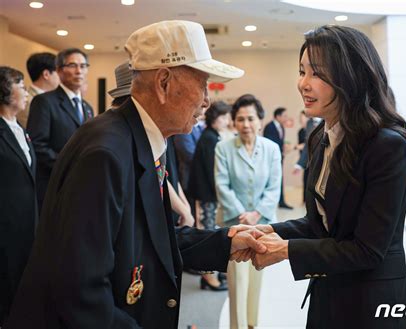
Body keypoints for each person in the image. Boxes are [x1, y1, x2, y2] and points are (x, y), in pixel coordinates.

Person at [4, 20, 266, 329]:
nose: (207, 101)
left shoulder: (144, 141)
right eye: (203, 84)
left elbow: (152, 240)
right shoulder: (106, 153)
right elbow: (80, 290)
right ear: (164, 83)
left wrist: (226, 243)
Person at [233, 25, 406, 329]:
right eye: (301, 71)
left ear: (351, 77)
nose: (303, 84)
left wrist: (285, 251)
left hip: (373, 303)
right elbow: (319, 224)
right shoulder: (321, 136)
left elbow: (367, 249)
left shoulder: (387, 145)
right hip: (329, 292)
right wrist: (270, 230)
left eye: (316, 74)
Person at [215, 94, 281, 329]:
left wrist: (257, 213)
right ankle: (238, 326)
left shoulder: (272, 149)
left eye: (250, 119)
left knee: (256, 276)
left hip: (263, 224)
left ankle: (252, 323)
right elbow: (222, 186)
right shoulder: (223, 148)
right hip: (234, 225)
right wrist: (244, 214)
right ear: (234, 122)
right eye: (240, 119)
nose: (245, 124)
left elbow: (275, 187)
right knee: (237, 281)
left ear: (260, 121)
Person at [108, 61, 194, 228]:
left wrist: (184, 204)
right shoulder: (127, 136)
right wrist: (183, 209)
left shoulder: (161, 130)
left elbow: (167, 171)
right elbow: (155, 173)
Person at [27, 48, 94, 211]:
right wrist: (69, 166)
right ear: (59, 70)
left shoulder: (87, 107)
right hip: (54, 184)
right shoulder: (44, 102)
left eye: (83, 66)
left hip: (81, 186)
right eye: (72, 65)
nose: (79, 71)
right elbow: (37, 145)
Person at [0, 67, 37, 326]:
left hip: (27, 221)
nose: (26, 92)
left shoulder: (20, 128)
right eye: (21, 86)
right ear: (5, 91)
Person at [188, 101, 231, 291]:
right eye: (223, 117)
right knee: (207, 235)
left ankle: (213, 274)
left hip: (209, 194)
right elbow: (212, 171)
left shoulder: (212, 136)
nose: (226, 120)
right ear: (215, 118)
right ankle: (207, 278)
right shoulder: (209, 138)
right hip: (206, 195)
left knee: (211, 232)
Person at [17, 53, 59, 127]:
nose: (61, 76)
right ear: (46, 74)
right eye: (58, 72)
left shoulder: (55, 100)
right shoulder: (27, 102)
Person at [263, 107, 293, 209]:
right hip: (270, 160)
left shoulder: (281, 127)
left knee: (280, 179)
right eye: (284, 116)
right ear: (277, 116)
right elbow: (270, 143)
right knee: (270, 180)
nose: (286, 118)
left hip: (279, 158)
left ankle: (281, 202)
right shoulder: (269, 127)